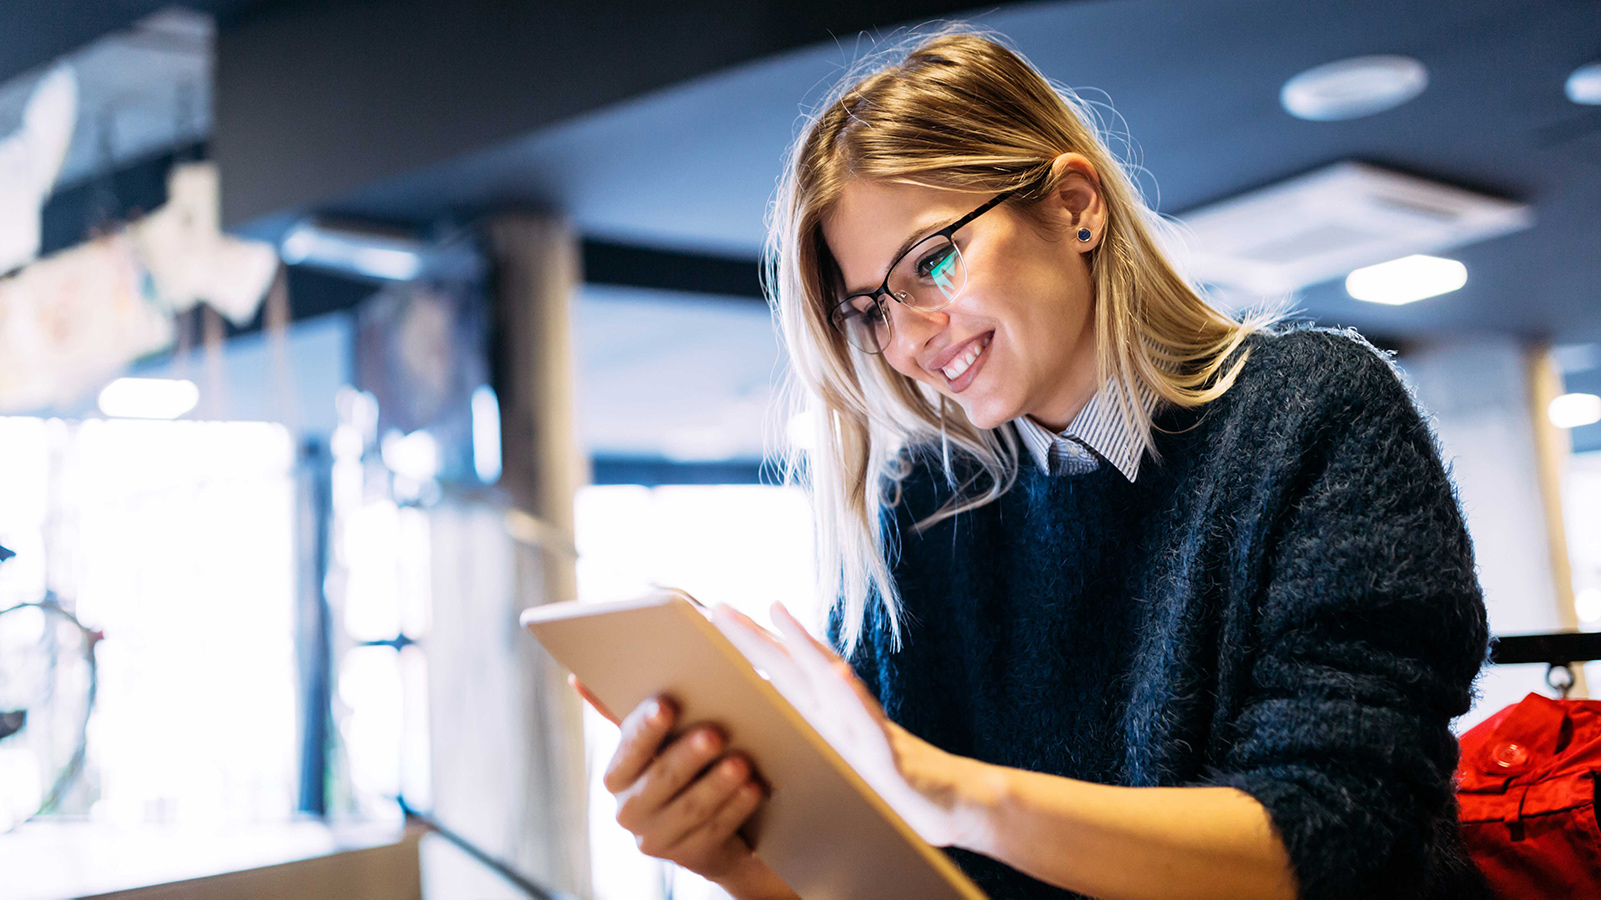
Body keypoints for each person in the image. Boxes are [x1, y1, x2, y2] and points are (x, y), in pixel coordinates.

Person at [571, 28, 1494, 900]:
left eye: (930, 263)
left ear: (1074, 207)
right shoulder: (923, 507)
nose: (908, 340)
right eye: (870, 310)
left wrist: (954, 794)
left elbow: (1339, 833)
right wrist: (733, 858)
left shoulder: (1313, 412)